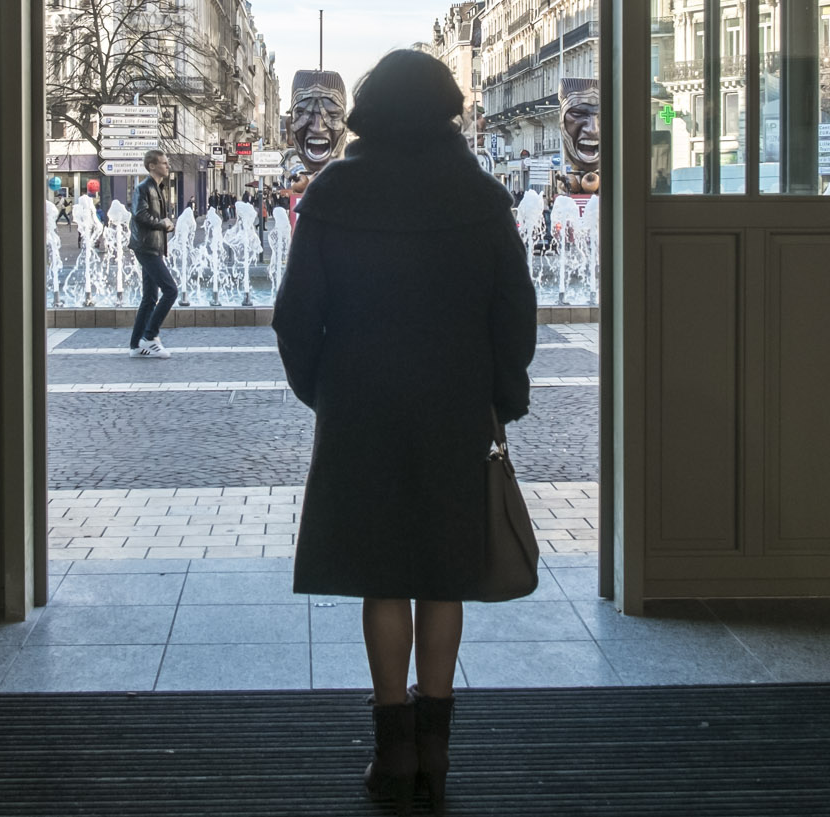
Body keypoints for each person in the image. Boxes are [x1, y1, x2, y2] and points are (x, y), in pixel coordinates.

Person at [273, 49, 536, 816]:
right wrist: (503, 395)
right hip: (455, 406)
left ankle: (392, 752)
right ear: (449, 112)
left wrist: (320, 387)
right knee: (441, 574)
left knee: (382, 572)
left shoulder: (335, 191)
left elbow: (296, 314)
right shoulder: (482, 196)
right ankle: (438, 747)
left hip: (363, 405)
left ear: (369, 116)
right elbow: (514, 313)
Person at [127, 150, 179, 358]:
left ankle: (135, 346)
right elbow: (139, 214)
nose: (167, 166)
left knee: (150, 297)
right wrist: (162, 224)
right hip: (146, 246)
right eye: (164, 163)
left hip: (152, 246)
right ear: (152, 166)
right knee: (170, 290)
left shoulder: (158, 188)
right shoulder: (144, 188)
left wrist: (166, 225)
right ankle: (150, 336)